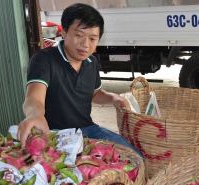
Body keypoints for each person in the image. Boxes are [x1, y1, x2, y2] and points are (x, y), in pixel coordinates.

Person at [17, 3, 144, 160]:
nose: (85, 44)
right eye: (79, 35)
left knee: (135, 158)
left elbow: (94, 93)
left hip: (88, 129)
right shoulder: (44, 59)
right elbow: (34, 97)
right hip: (55, 134)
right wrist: (35, 114)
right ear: (64, 31)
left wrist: (113, 98)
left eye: (92, 38)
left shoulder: (91, 62)